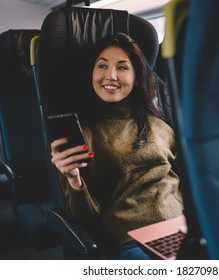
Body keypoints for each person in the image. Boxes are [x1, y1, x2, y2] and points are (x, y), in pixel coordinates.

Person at [50, 33, 183, 260]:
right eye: (102, 66)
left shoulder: (161, 124)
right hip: (129, 240)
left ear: (137, 77)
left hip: (179, 230)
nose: (110, 75)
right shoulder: (82, 134)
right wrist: (73, 179)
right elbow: (86, 221)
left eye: (122, 68)